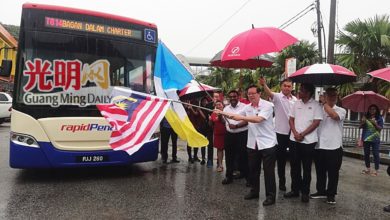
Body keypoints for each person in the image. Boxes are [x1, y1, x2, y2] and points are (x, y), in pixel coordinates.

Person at [215, 85, 277, 206]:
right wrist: (221, 111)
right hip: (252, 143)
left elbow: (258, 119)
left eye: (253, 93)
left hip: (267, 143)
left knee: (269, 172)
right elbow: (234, 115)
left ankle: (271, 196)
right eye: (249, 94)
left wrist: (241, 117)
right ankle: (254, 191)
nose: (251, 96)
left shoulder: (268, 106)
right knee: (253, 170)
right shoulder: (248, 107)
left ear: (259, 94)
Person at [284, 83, 322, 203]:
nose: (299, 91)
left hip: (309, 141)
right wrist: (295, 133)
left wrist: (303, 134)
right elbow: (291, 119)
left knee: (306, 168)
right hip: (294, 140)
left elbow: (316, 122)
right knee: (294, 167)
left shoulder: (316, 105)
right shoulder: (296, 103)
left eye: (302, 90)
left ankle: (305, 192)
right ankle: (295, 190)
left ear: (309, 92)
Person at [259, 77, 297, 191]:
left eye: (289, 86)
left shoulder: (295, 100)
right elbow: (269, 93)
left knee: (295, 160)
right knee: (281, 160)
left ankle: (296, 185)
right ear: (281, 86)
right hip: (280, 133)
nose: (287, 88)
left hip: (293, 133)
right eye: (285, 85)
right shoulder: (277, 97)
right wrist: (264, 84)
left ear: (292, 87)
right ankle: (282, 182)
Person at [310, 88, 345, 204]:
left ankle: (331, 194)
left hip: (334, 146)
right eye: (329, 95)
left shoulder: (341, 110)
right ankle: (321, 191)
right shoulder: (319, 109)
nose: (332, 97)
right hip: (319, 145)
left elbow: (334, 116)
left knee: (333, 172)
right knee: (320, 171)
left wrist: (324, 103)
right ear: (325, 95)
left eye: (334, 95)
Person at [221, 90, 249, 185]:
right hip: (230, 135)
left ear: (238, 96)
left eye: (234, 96)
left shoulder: (245, 107)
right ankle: (229, 177)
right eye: (231, 97)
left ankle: (247, 177)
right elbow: (224, 121)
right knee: (229, 156)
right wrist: (220, 114)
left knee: (243, 156)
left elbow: (247, 121)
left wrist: (237, 126)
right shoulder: (226, 109)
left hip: (242, 134)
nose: (232, 98)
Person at [360, 104, 384, 176]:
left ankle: (376, 171)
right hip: (366, 139)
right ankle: (368, 169)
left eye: (374, 109)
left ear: (376, 110)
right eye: (370, 109)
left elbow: (380, 128)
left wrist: (375, 124)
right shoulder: (365, 117)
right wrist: (363, 122)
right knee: (366, 154)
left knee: (375, 154)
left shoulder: (379, 118)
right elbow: (360, 127)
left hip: (375, 139)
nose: (372, 110)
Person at [209, 100, 226, 172]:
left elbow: (223, 121)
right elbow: (210, 125)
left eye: (220, 104)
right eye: (217, 105)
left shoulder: (226, 112)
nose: (218, 106)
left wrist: (220, 115)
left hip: (226, 133)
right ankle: (220, 165)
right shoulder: (213, 113)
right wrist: (209, 120)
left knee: (228, 150)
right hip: (217, 134)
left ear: (223, 105)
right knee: (219, 149)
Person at [205, 92, 221, 167]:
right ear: (212, 97)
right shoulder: (208, 105)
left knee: (219, 146)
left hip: (219, 128)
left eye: (217, 97)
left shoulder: (221, 105)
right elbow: (206, 116)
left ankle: (219, 161)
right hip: (210, 127)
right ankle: (210, 160)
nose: (216, 98)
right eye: (215, 97)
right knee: (210, 144)